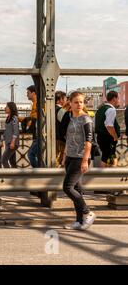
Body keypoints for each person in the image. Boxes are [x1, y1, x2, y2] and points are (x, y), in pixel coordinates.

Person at [62, 91, 96, 230]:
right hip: (69, 157)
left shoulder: (86, 119)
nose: (79, 105)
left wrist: (85, 160)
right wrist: (64, 155)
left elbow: (89, 141)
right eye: (76, 102)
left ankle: (87, 212)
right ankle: (78, 221)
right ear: (70, 103)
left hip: (79, 157)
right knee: (76, 188)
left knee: (67, 187)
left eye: (81, 102)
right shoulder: (71, 118)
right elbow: (68, 138)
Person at [95, 91, 120, 167]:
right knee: (109, 157)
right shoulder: (111, 110)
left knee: (106, 156)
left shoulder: (100, 109)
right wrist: (115, 136)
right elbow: (109, 125)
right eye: (117, 98)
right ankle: (112, 175)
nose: (118, 100)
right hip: (108, 138)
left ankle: (107, 175)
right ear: (114, 99)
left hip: (100, 137)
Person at [19, 85, 38, 168]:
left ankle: (39, 171)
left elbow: (34, 119)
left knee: (31, 154)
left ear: (33, 93)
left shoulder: (37, 104)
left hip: (38, 135)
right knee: (34, 154)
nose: (27, 94)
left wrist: (20, 119)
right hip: (37, 134)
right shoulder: (35, 104)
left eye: (28, 93)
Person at [0, 102, 19, 168]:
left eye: (6, 107)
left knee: (3, 160)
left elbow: (15, 131)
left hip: (12, 143)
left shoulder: (14, 118)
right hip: (8, 142)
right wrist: (1, 140)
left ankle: (8, 175)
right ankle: (15, 176)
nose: (5, 108)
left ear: (11, 108)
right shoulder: (8, 118)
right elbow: (6, 131)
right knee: (12, 162)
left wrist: (13, 142)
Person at [55, 91, 67, 167]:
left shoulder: (51, 109)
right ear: (60, 100)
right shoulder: (61, 110)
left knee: (55, 157)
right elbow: (65, 125)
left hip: (54, 137)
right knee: (62, 159)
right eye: (65, 98)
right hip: (61, 139)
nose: (66, 100)